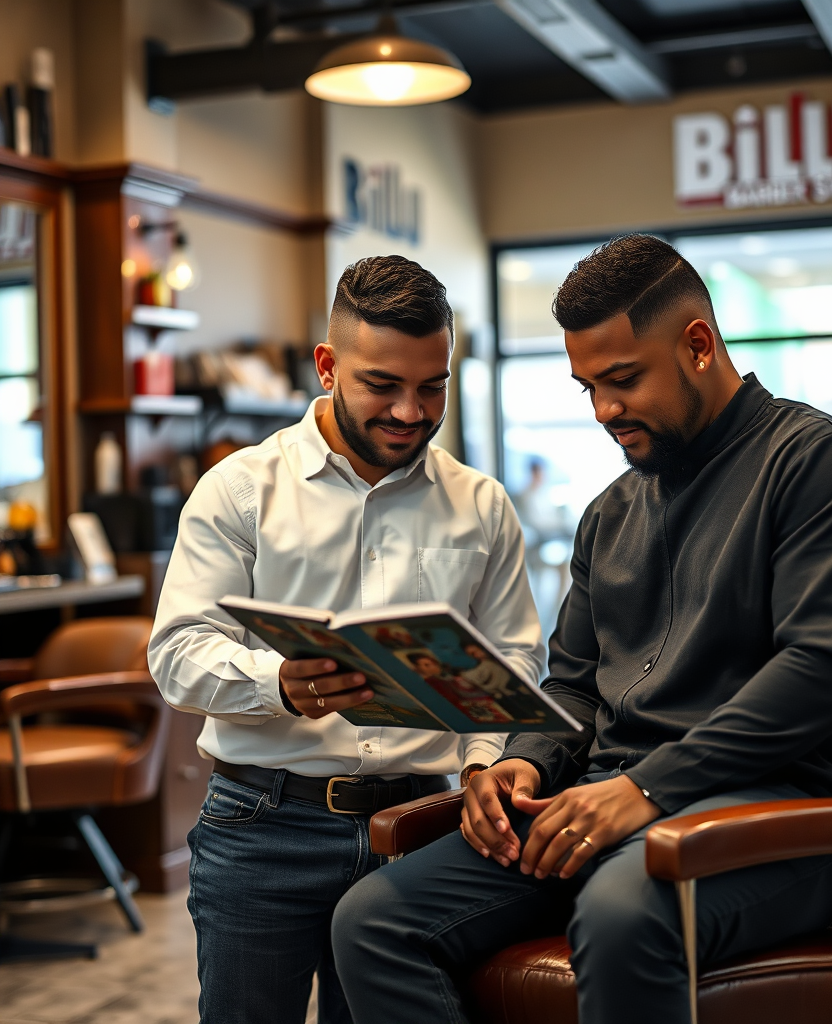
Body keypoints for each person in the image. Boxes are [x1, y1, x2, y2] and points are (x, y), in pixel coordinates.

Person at [331, 235, 832, 1024]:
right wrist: (525, 763)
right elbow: (572, 684)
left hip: (772, 813)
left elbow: (823, 671)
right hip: (607, 801)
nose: (604, 410)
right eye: (589, 387)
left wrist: (647, 788)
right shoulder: (610, 513)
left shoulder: (821, 466)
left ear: (698, 345)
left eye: (624, 379)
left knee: (621, 909)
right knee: (372, 920)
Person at [148, 255, 544, 1024]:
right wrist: (276, 682)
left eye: (433, 386)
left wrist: (483, 762)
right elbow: (176, 654)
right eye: (383, 385)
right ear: (328, 367)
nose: (410, 411)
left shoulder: (482, 505)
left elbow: (515, 658)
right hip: (265, 829)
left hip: (424, 828)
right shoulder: (239, 490)